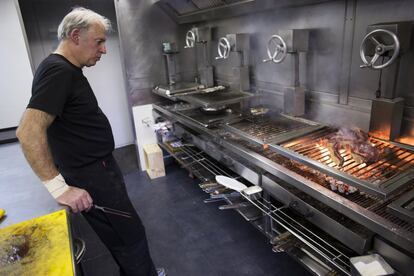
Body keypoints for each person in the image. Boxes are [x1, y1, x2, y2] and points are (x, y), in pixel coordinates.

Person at [16, 7, 165, 276]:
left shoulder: (66, 70)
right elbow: (28, 131)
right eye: (99, 41)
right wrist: (58, 188)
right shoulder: (57, 71)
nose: (104, 50)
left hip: (99, 170)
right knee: (129, 237)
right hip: (92, 175)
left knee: (126, 235)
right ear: (75, 36)